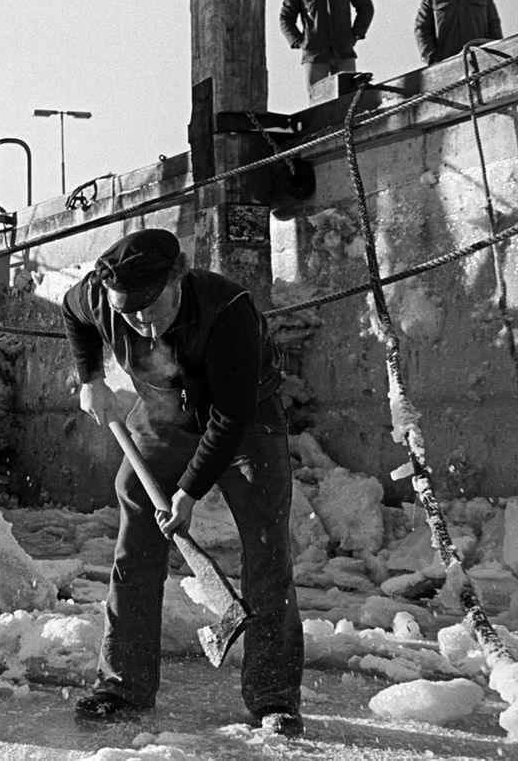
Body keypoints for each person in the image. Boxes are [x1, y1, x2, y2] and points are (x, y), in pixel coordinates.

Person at [61, 229, 305, 737]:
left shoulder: (228, 310)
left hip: (245, 421)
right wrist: (91, 378)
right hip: (161, 414)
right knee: (135, 535)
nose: (140, 324)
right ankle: (122, 685)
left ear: (179, 278)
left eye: (150, 309)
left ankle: (273, 697)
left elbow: (231, 415)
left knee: (267, 552)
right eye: (127, 314)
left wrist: (189, 492)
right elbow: (72, 311)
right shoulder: (101, 298)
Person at [279, 0, 374, 102]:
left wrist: (356, 34)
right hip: (315, 56)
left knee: (349, 101)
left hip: (344, 52)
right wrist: (299, 41)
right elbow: (285, 17)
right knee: (318, 104)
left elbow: (365, 7)